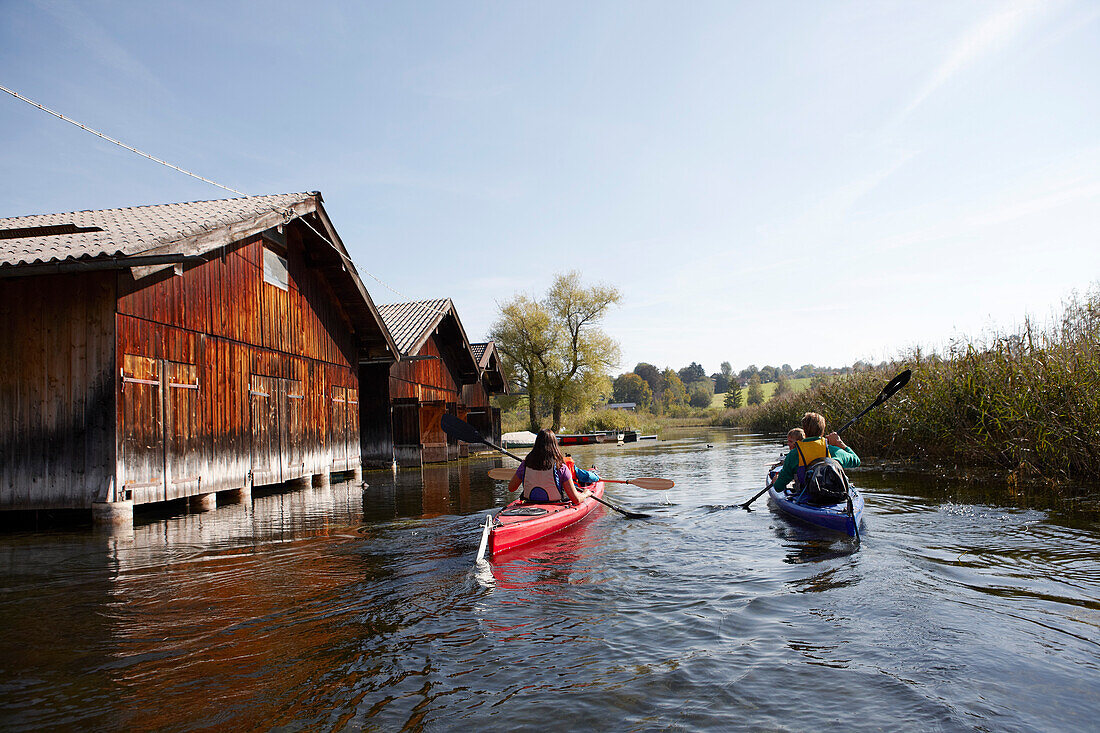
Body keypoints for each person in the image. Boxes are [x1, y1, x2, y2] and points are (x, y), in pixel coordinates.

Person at [770, 412, 860, 498]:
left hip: (807, 497)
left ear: (804, 431)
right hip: (835, 495)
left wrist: (775, 481)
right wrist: (839, 443)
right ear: (823, 430)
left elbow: (778, 487)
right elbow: (856, 461)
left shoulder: (794, 454)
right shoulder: (833, 450)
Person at [507, 430, 592, 505]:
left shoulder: (525, 464)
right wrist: (585, 493)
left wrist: (521, 475)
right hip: (554, 505)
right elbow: (576, 500)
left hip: (529, 504)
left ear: (536, 444)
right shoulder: (561, 467)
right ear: (554, 445)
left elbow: (511, 488)